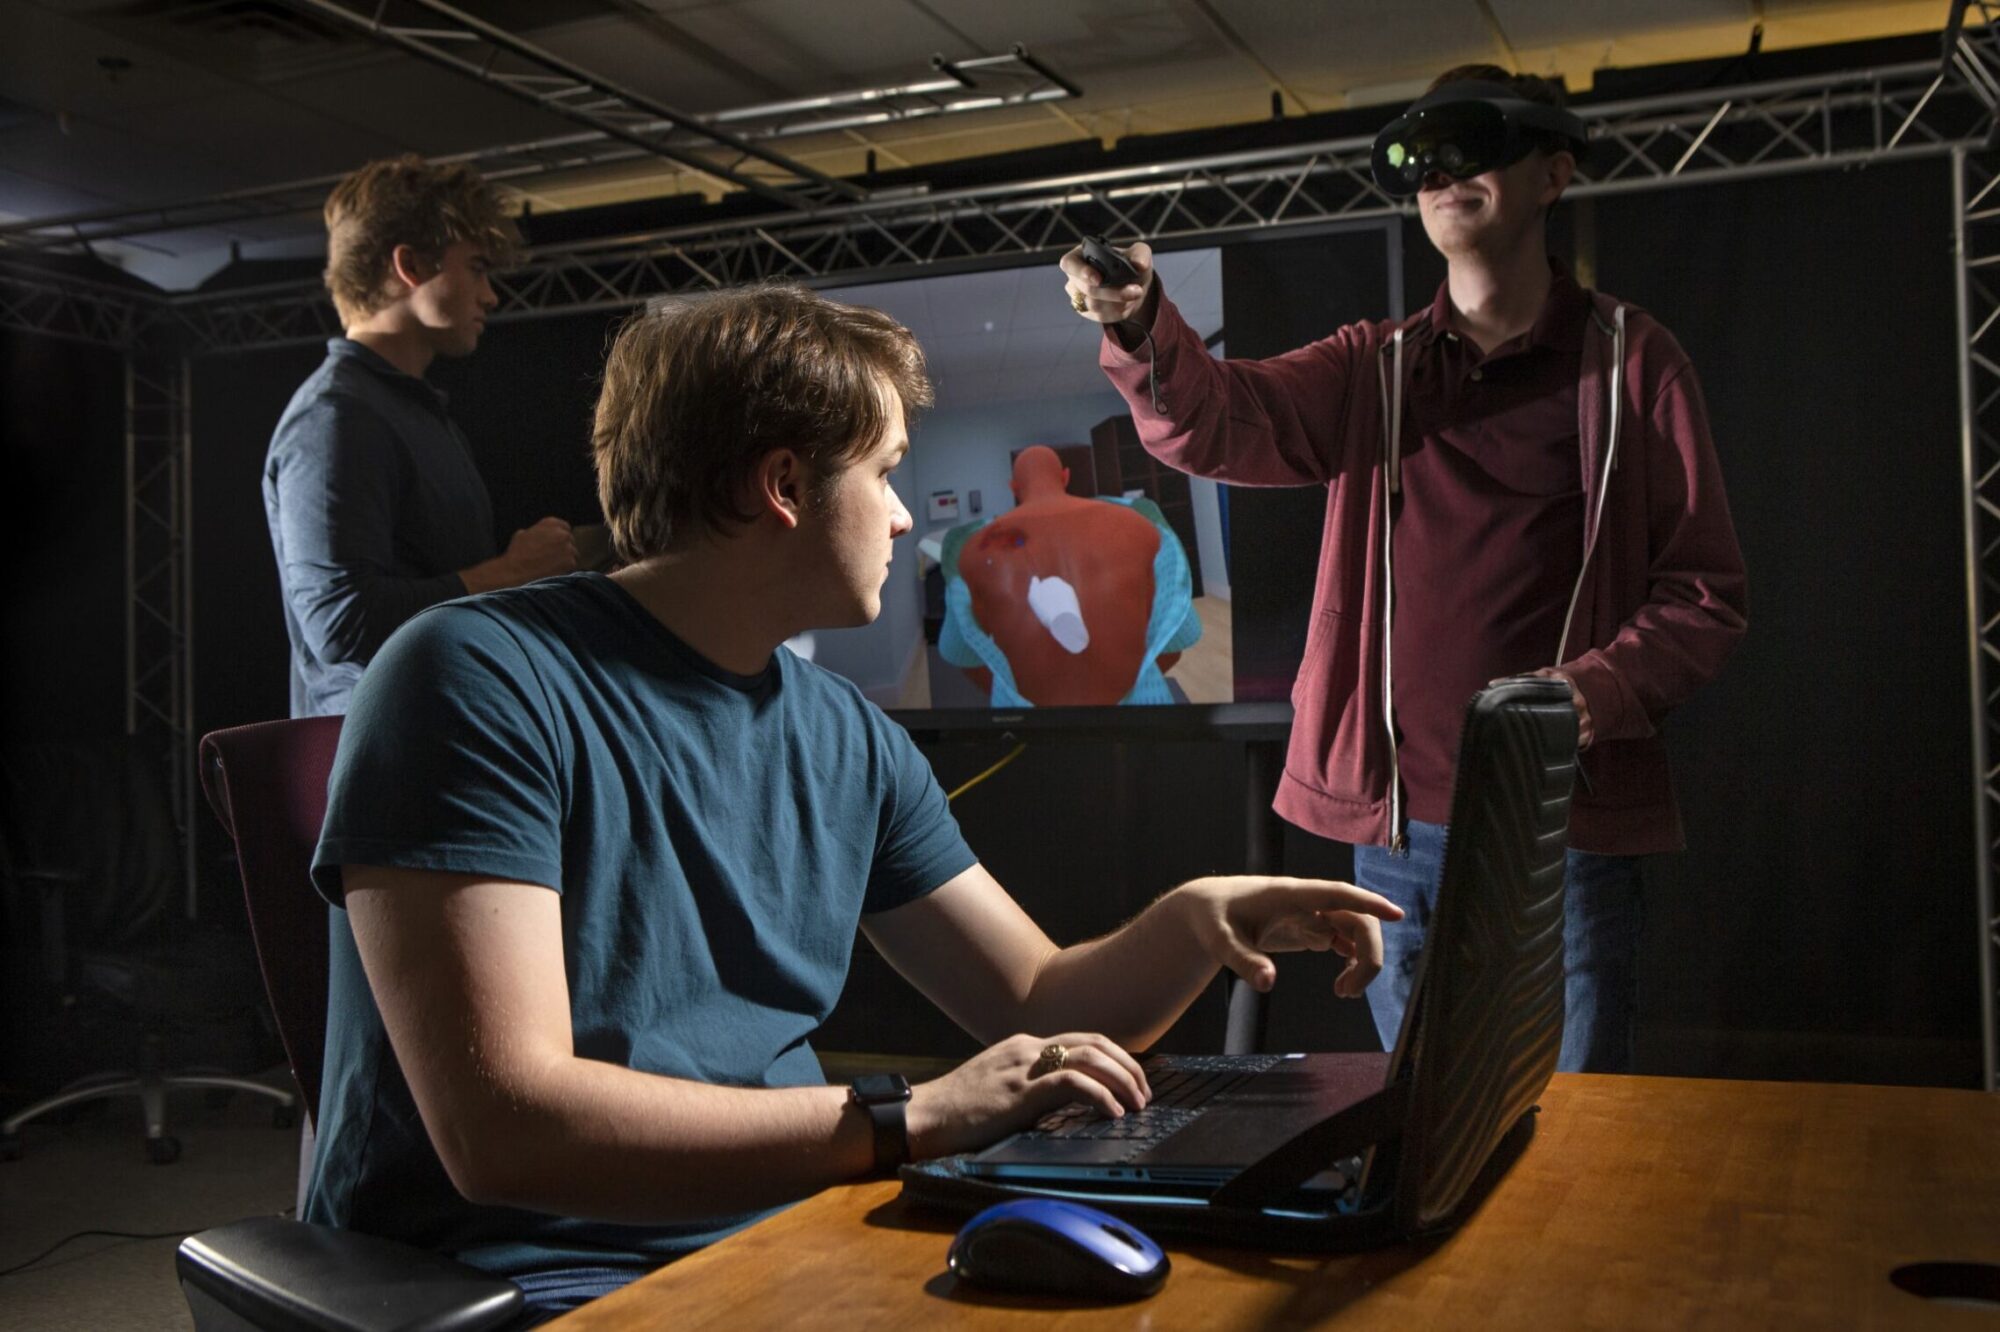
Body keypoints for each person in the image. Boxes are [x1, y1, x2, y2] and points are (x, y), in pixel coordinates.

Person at [303, 283, 1403, 1320]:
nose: (896, 520)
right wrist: (911, 1119)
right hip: (540, 1277)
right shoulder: (470, 675)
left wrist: (1192, 918)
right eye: (881, 474)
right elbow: (509, 1134)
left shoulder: (843, 733)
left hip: (797, 1234)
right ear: (781, 487)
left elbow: (1032, 999)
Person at [1061, 66, 1748, 1074]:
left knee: (1583, 1128)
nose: (1442, 173)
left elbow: (1702, 595)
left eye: (1475, 147)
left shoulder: (1630, 360)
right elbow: (1215, 420)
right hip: (1397, 834)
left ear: (1552, 173)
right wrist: (1137, 322)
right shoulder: (1369, 369)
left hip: (1560, 823)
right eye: (1422, 156)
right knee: (1425, 1112)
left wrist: (1586, 696)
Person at [264, 154, 578, 719]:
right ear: (410, 265)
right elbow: (341, 626)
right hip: (380, 768)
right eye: (477, 267)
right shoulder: (337, 417)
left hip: (437, 740)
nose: (491, 295)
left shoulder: (409, 410)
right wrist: (511, 572)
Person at [939, 445, 1201, 705]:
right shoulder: (1141, 527)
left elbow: (964, 657)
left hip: (1031, 731)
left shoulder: (972, 550)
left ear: (1014, 488)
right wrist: (1130, 691)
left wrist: (1021, 700)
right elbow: (1176, 639)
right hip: (1136, 718)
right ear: (1065, 477)